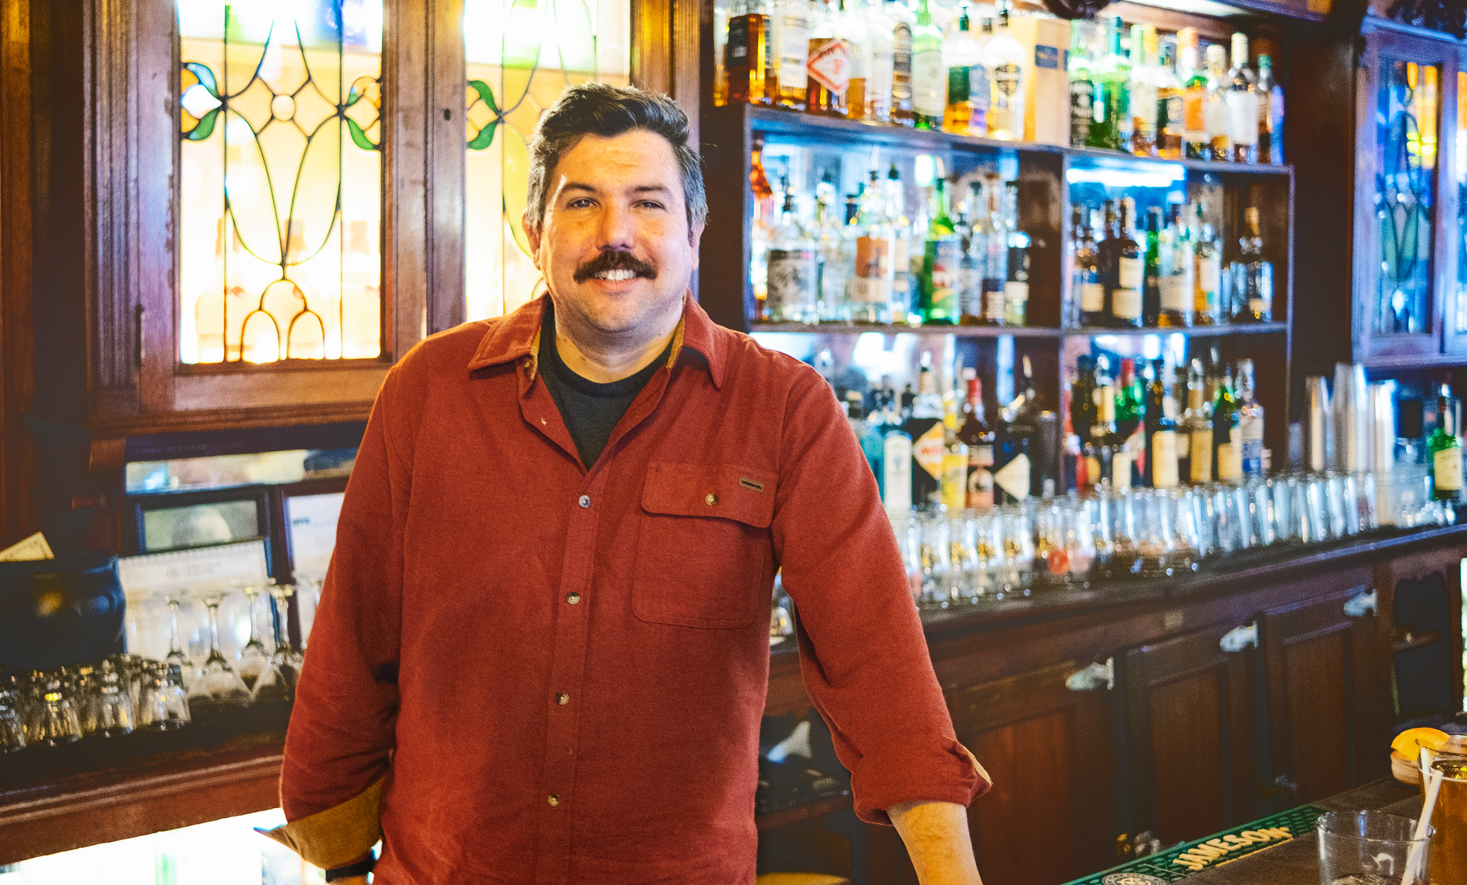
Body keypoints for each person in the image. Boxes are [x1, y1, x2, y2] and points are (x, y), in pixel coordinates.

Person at [264, 83, 990, 885]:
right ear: (533, 232)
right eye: (581, 204)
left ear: (694, 231)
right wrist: (337, 862)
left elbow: (878, 664)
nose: (616, 235)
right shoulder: (428, 391)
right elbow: (352, 647)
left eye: (648, 203)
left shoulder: (784, 409)